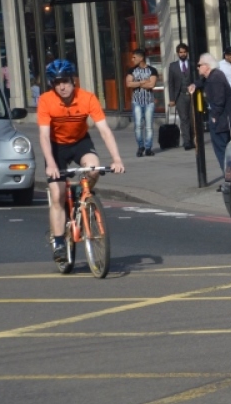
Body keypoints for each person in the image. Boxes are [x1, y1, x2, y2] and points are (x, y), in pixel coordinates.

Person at [37, 59, 126, 266]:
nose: (63, 86)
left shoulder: (87, 98)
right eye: (57, 82)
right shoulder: (46, 100)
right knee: (58, 194)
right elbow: (43, 135)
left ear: (73, 80)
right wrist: (50, 163)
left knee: (93, 170)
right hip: (56, 146)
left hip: (80, 142)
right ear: (52, 84)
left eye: (66, 81)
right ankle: (59, 242)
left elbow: (104, 130)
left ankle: (82, 194)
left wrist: (117, 159)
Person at [189, 53, 231, 173]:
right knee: (225, 149)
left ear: (206, 66)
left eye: (199, 65)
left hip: (221, 120)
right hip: (224, 119)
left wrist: (214, 116)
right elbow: (202, 81)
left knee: (221, 149)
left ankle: (229, 178)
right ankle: (230, 177)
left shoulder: (215, 78)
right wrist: (195, 85)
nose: (198, 67)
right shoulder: (213, 76)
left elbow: (219, 100)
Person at [124, 48, 158, 157]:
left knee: (149, 126)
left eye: (134, 57)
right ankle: (140, 146)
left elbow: (151, 85)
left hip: (149, 102)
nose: (132, 59)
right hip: (137, 102)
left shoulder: (152, 70)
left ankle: (148, 148)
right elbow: (128, 84)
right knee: (138, 126)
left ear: (141, 58)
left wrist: (137, 83)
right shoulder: (132, 70)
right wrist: (143, 82)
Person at [166, 43, 195, 149]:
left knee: (193, 118)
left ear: (187, 52)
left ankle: (193, 139)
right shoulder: (173, 66)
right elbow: (171, 83)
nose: (183, 54)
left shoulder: (192, 64)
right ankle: (187, 141)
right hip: (180, 96)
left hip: (192, 95)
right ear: (178, 53)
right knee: (184, 119)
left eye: (184, 52)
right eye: (180, 52)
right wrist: (172, 99)